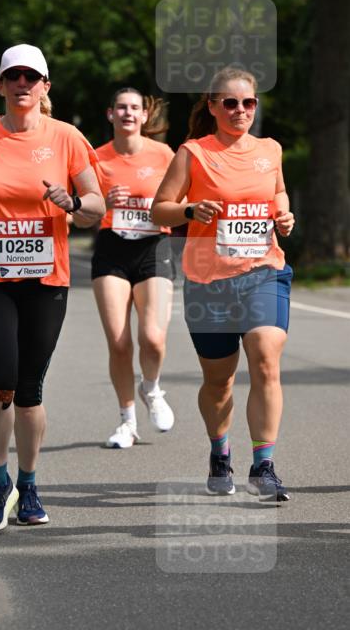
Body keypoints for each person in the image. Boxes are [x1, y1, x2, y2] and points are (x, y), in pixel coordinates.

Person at [0, 43, 105, 533]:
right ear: (0, 85)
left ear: (44, 86)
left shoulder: (66, 137)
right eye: (13, 76)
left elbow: (96, 208)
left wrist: (71, 202)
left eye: (30, 77)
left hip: (46, 279)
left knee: (30, 389)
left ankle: (28, 484)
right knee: (0, 381)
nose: (21, 84)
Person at [151, 66, 295, 501]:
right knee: (219, 382)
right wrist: (190, 210)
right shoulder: (193, 153)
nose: (240, 110)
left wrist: (284, 215)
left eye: (248, 102)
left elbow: (278, 192)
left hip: (263, 271)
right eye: (230, 102)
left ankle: (264, 466)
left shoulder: (270, 149)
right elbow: (160, 208)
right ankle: (220, 452)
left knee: (266, 360)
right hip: (207, 280)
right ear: (212, 107)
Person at [92, 87, 176, 448]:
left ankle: (152, 389)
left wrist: (163, 206)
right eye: (121, 108)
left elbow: (181, 201)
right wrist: (103, 202)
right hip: (112, 247)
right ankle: (127, 421)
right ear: (110, 114)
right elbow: (81, 215)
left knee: (153, 338)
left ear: (144, 115)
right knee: (119, 342)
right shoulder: (97, 158)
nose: (128, 113)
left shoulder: (164, 155)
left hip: (154, 246)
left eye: (134, 108)